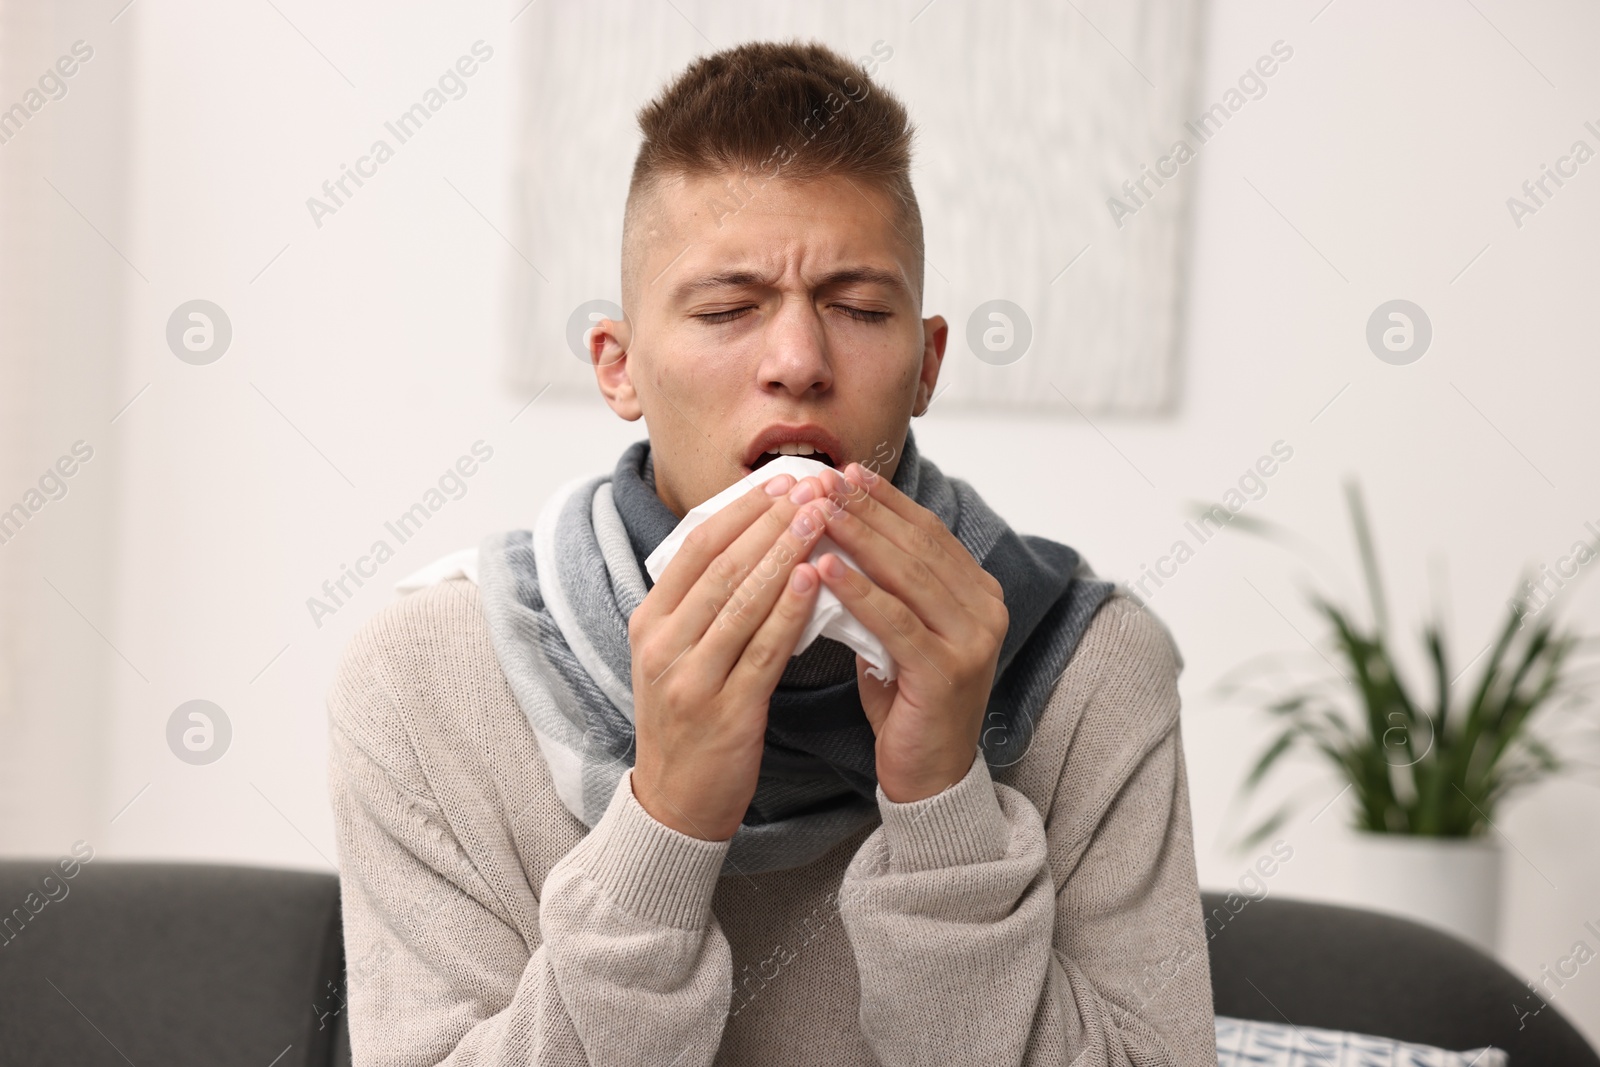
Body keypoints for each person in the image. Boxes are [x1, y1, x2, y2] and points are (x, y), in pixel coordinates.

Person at [327, 38, 1217, 1066]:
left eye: (856, 308)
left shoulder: (1092, 669)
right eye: (725, 309)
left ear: (924, 366)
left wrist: (942, 803)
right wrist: (665, 821)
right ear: (620, 369)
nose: (797, 362)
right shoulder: (425, 679)